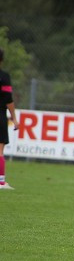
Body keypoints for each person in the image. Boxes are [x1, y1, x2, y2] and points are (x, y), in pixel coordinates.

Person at [0, 48, 18, 191]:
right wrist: (14, 118)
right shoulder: (4, 77)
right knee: (0, 149)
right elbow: (8, 99)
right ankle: (0, 182)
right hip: (0, 114)